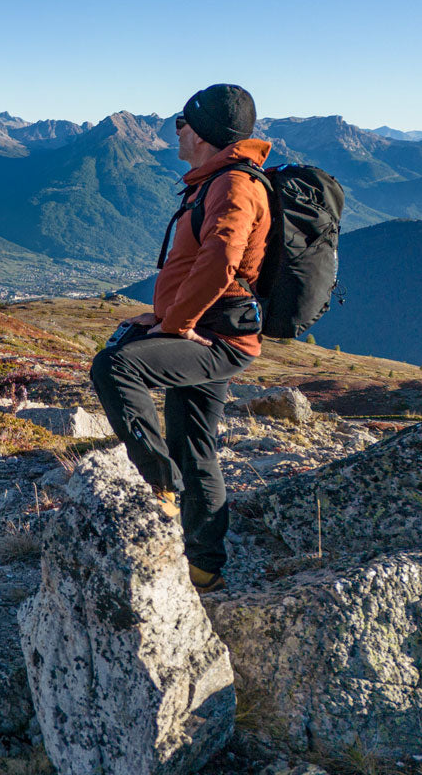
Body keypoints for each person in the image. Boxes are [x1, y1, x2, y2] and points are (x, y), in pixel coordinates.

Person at [89, 84, 271, 594]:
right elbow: (199, 263)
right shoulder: (214, 180)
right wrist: (163, 314)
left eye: (181, 123)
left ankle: (158, 485)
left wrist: (177, 325)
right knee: (195, 443)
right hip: (211, 328)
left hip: (218, 337)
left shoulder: (233, 186)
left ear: (204, 133)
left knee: (115, 367)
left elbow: (221, 259)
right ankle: (205, 567)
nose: (175, 131)